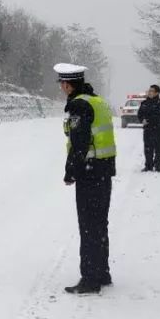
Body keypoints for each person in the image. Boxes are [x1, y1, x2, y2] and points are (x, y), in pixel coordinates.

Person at [55, 63, 117, 294]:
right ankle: (102, 272)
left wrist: (71, 171)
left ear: (68, 84)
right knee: (99, 223)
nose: (61, 87)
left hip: (90, 172)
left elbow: (80, 142)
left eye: (62, 83)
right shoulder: (97, 101)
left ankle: (90, 279)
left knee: (88, 226)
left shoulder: (79, 105)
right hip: (103, 170)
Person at [137, 84, 160, 172]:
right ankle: (148, 166)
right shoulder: (144, 103)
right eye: (149, 91)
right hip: (147, 130)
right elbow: (140, 114)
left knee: (158, 148)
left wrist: (148, 119)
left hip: (157, 130)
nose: (149, 92)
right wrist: (142, 120)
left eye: (151, 91)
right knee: (147, 148)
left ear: (157, 93)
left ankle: (158, 166)